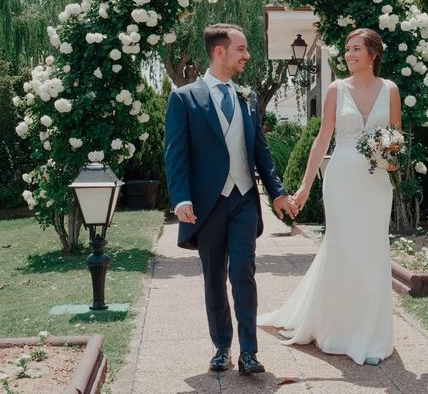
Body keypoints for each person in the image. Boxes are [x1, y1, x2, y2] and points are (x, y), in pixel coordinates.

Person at [257, 28, 402, 365]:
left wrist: (391, 158)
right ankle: (338, 329)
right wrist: (306, 185)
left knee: (372, 250)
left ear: (373, 53)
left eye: (356, 49)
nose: (349, 55)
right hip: (341, 180)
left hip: (377, 182)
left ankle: (371, 331)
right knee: (343, 248)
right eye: (347, 50)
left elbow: (395, 137)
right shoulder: (336, 89)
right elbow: (323, 140)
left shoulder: (390, 90)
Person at [164, 23, 298, 375]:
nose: (246, 56)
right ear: (219, 51)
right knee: (213, 278)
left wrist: (278, 192)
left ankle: (249, 352)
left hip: (243, 200)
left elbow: (260, 152)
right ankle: (222, 346)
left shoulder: (248, 97)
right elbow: (175, 154)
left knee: (243, 272)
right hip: (207, 205)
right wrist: (180, 199)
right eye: (241, 49)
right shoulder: (184, 98)